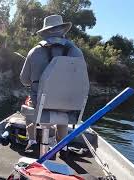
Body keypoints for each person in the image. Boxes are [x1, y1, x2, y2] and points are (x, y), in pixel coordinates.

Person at [20, 15, 85, 150]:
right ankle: (62, 146)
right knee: (64, 107)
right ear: (62, 31)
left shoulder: (34, 51)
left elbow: (24, 80)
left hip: (40, 104)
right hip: (69, 105)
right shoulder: (76, 52)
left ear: (45, 32)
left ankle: (32, 141)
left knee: (29, 103)